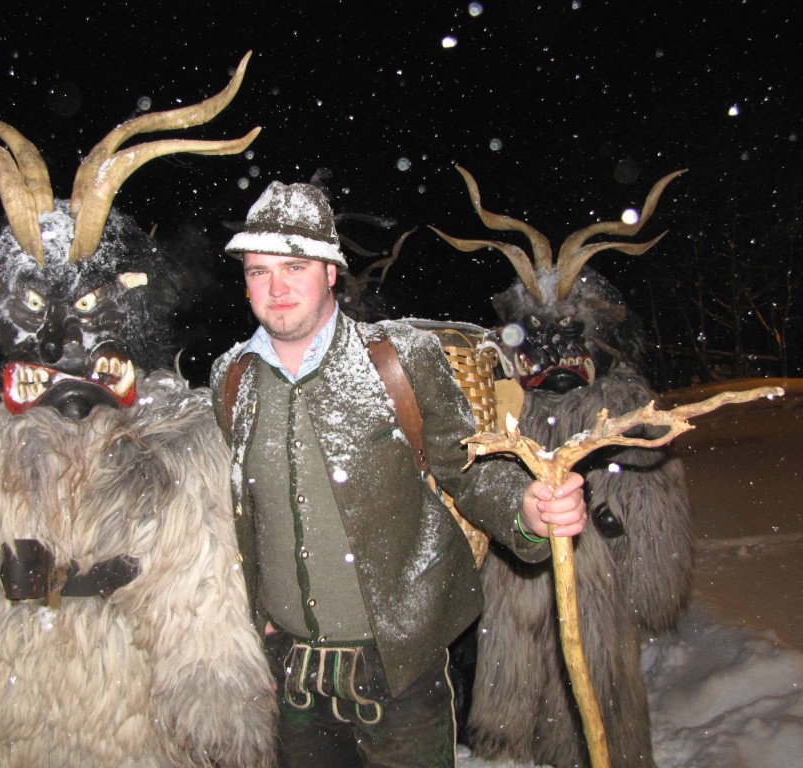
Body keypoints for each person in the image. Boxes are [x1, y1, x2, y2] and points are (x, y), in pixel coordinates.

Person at [210, 181, 587, 768]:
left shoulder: (399, 359)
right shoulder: (231, 379)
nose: (276, 288)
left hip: (399, 667)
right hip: (289, 672)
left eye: (295, 266)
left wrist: (530, 512)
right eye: (259, 271)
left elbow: (470, 469)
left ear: (331, 272)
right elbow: (243, 512)